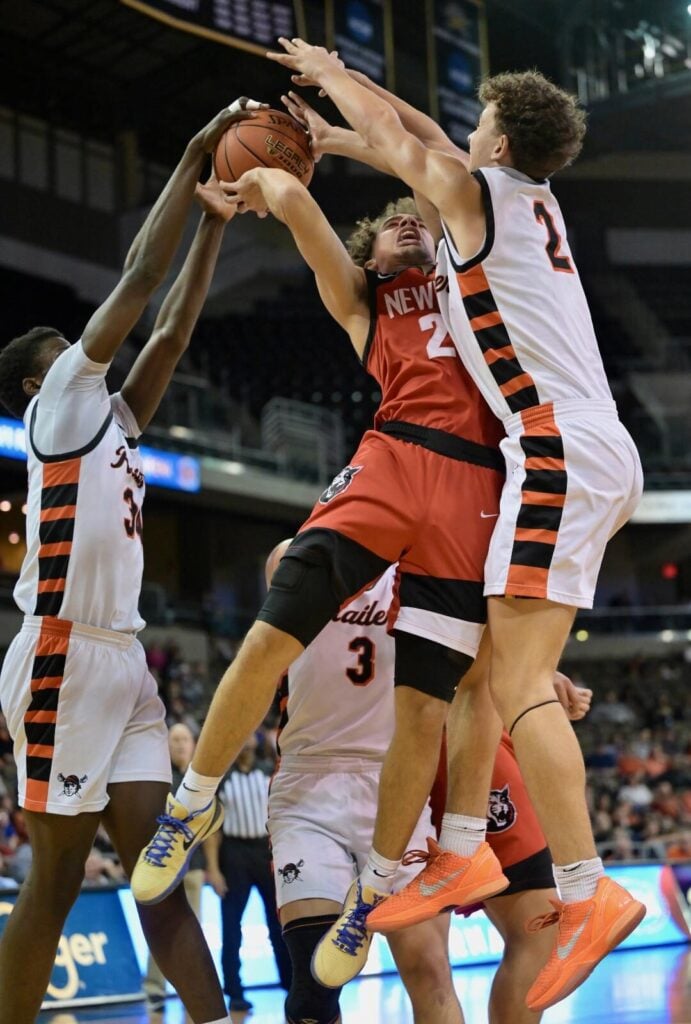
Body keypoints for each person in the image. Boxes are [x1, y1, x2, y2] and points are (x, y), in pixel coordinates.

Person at [264, 40, 646, 1011]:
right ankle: (461, 850)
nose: (462, 134)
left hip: (550, 448)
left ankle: (586, 889)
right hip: (593, 450)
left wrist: (330, 72)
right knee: (488, 667)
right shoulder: (526, 199)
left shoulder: (476, 198)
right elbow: (422, 136)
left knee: (513, 685)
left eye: (479, 124)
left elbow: (410, 145)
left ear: (501, 142)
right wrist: (335, 132)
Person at [131, 169, 509, 997]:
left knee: (434, 702)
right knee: (272, 631)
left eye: (417, 222)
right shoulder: (368, 306)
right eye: (390, 227)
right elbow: (303, 215)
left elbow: (442, 181)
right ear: (368, 258)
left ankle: (377, 883)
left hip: (474, 483)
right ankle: (192, 802)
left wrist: (390, 159)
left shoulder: (472, 282)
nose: (407, 226)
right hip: (394, 455)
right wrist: (264, 173)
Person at [0, 98, 261, 1024]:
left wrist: (214, 226)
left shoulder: (111, 418)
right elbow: (142, 277)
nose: (86, 345)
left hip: (124, 660)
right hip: (61, 657)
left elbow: (173, 332)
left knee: (158, 871)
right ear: (39, 380)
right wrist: (193, 154)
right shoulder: (60, 406)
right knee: (59, 877)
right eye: (68, 347)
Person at [267, 539, 592, 1024]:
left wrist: (533, 675)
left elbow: (481, 634)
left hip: (435, 737)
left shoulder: (444, 550)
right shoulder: (317, 550)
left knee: (498, 944)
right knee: (327, 981)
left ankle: (432, 868)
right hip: (389, 748)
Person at [205, 737, 292, 1013]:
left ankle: (290, 986)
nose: (245, 742)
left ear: (256, 741)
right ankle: (234, 991)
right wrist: (213, 869)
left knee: (278, 924)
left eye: (250, 737)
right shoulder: (223, 778)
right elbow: (212, 829)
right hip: (234, 853)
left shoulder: (268, 771)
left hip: (266, 851)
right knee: (232, 926)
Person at [144, 723, 215, 1014]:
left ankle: (191, 989)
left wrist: (213, 866)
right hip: (162, 867)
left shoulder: (203, 780)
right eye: (175, 739)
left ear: (194, 744)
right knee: (160, 927)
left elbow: (211, 827)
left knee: (193, 931)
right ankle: (154, 989)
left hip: (193, 866)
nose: (180, 744)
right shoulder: (158, 779)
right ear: (166, 744)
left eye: (185, 739)